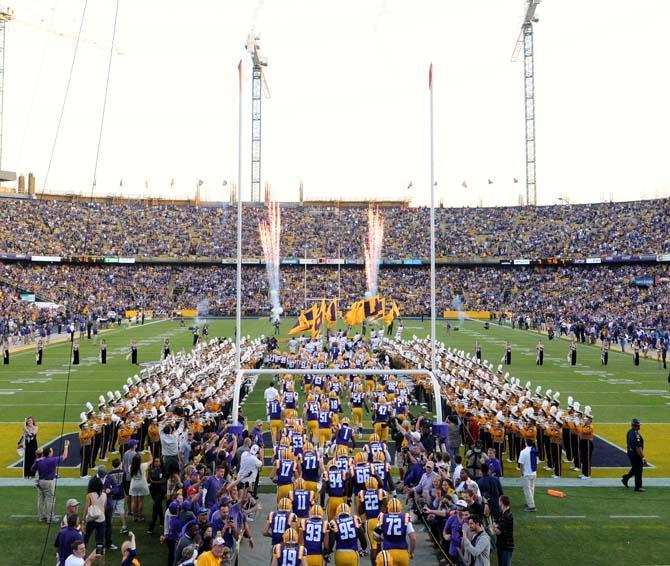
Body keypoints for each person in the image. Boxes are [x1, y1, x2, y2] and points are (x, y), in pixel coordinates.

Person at [32, 440, 70, 523]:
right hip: (48, 482)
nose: (53, 452)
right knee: (50, 500)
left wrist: (38, 460)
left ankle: (41, 517)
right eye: (52, 451)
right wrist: (66, 446)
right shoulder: (52, 460)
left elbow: (33, 469)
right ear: (49, 453)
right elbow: (64, 456)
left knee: (41, 499)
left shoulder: (39, 460)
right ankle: (50, 518)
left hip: (40, 482)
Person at [83, 476, 108, 553]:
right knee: (100, 542)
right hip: (101, 519)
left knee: (85, 539)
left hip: (91, 519)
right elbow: (104, 508)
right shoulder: (105, 495)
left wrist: (83, 520)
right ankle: (101, 561)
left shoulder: (90, 495)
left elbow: (86, 509)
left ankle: (82, 557)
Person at [622, 418, 646, 492]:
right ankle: (638, 487)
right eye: (638, 425)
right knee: (639, 470)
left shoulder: (629, 432)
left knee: (635, 468)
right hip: (635, 454)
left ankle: (625, 478)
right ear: (636, 425)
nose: (639, 426)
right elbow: (638, 447)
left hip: (630, 453)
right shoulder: (636, 434)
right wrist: (643, 457)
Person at [128, 453, 150, 521]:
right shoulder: (143, 465)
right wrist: (149, 453)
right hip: (142, 484)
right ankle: (140, 516)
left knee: (134, 501)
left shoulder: (130, 466)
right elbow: (151, 461)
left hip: (134, 484)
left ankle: (134, 517)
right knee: (141, 501)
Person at [494, 495, 514, 566]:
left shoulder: (507, 515)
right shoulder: (502, 513)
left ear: (501, 502)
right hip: (501, 545)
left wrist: (493, 526)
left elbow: (498, 532)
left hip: (506, 546)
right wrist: (495, 526)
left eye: (499, 501)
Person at [518, 439, 537, 512]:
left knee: (527, 490)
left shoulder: (523, 452)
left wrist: (521, 473)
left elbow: (521, 464)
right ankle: (529, 502)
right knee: (532, 489)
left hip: (526, 473)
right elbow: (537, 462)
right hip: (533, 473)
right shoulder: (535, 451)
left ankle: (532, 506)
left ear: (526, 443)